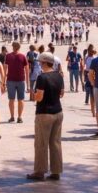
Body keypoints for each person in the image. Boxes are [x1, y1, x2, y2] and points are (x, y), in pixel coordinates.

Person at [25, 52, 64, 181]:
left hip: (44, 113)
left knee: (41, 143)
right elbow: (61, 93)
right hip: (58, 112)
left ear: (44, 63)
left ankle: (39, 172)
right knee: (55, 142)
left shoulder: (42, 78)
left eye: (40, 62)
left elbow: (39, 97)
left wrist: (33, 94)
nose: (39, 64)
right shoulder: (59, 75)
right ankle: (56, 171)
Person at [4, 41, 28, 124]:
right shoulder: (23, 56)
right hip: (21, 80)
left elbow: (5, 69)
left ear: (13, 47)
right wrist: (28, 84)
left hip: (10, 80)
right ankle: (19, 117)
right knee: (21, 99)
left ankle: (12, 116)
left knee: (11, 99)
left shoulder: (8, 56)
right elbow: (27, 70)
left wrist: (3, 81)